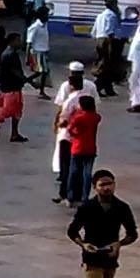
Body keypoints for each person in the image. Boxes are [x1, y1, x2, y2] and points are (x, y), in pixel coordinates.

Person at [50, 62, 89, 203]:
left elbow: (62, 115)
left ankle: (66, 193)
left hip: (67, 135)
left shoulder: (70, 99)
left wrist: (58, 124)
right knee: (80, 166)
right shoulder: (89, 91)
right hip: (83, 136)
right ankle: (79, 193)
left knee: (67, 166)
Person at [63, 92, 101, 204]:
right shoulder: (96, 117)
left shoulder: (78, 118)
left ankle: (70, 195)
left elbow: (69, 129)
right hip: (90, 148)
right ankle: (85, 197)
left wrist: (75, 134)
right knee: (87, 173)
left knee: (73, 171)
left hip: (77, 146)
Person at [0, 32, 30, 144]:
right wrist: (29, 81)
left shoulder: (10, 53)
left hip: (10, 86)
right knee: (7, 112)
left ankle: (14, 133)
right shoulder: (10, 55)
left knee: (16, 112)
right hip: (11, 87)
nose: (19, 43)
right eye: (18, 40)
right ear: (12, 41)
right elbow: (15, 71)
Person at [89, 0, 125, 96]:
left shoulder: (100, 15)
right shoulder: (112, 15)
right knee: (106, 65)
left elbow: (93, 32)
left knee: (105, 65)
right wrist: (113, 45)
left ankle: (109, 89)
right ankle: (97, 88)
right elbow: (110, 31)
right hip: (108, 40)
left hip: (99, 39)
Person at [24, 7, 53, 97]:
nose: (48, 16)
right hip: (37, 51)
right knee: (42, 71)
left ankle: (35, 85)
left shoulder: (44, 25)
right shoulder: (35, 27)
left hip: (44, 51)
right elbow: (29, 42)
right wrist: (27, 57)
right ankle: (39, 89)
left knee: (43, 71)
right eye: (46, 14)